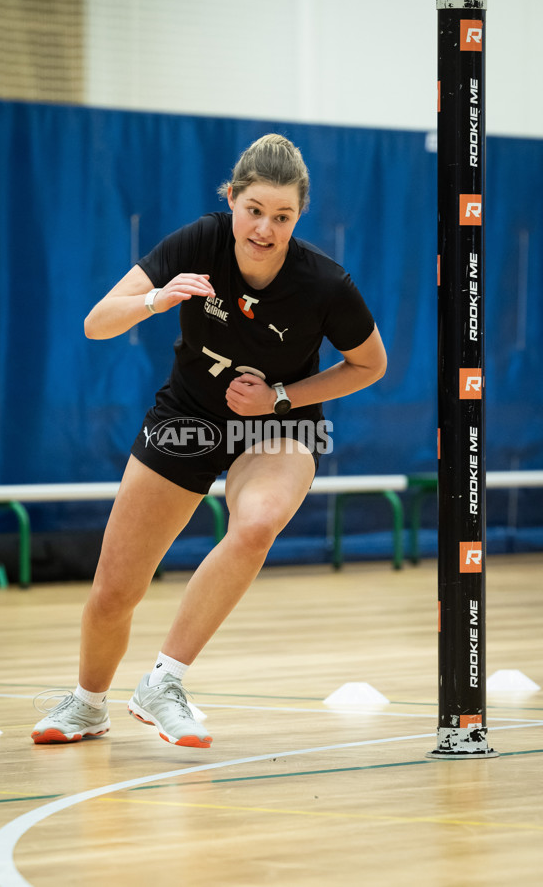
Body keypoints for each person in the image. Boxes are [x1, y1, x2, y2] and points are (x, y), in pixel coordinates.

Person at [31, 134, 387, 748]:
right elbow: (97, 323)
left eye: (282, 217)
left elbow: (370, 365)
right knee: (116, 589)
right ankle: (88, 705)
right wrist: (156, 298)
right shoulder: (199, 241)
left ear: (299, 217)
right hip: (189, 412)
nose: (265, 229)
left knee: (256, 525)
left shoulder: (325, 286)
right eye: (254, 211)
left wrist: (280, 397)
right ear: (232, 201)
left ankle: (164, 682)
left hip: (279, 424)